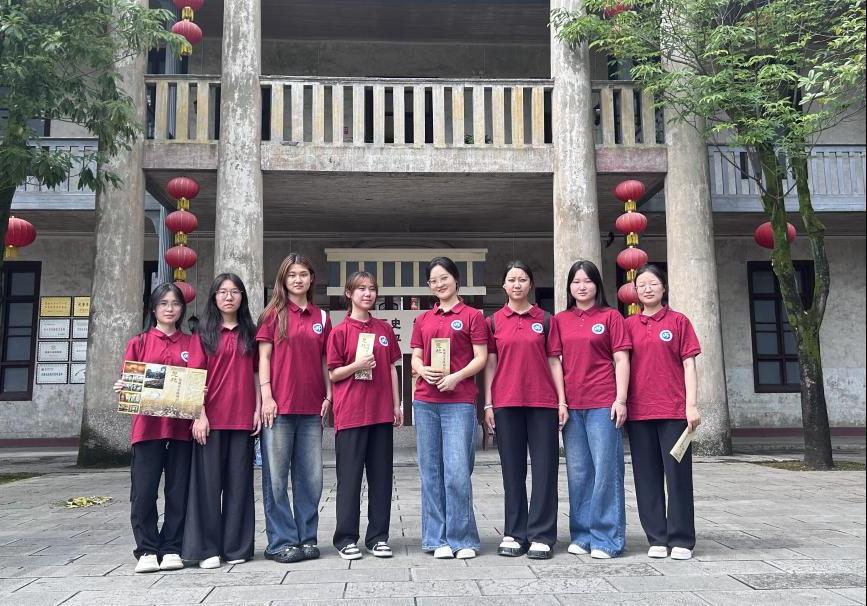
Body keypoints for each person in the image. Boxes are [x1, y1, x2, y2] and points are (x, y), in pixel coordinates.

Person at [114, 283, 205, 574]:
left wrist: (198, 392)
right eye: (163, 303)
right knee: (144, 492)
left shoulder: (192, 343)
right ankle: (147, 549)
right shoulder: (139, 342)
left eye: (175, 303)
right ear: (153, 308)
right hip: (147, 430)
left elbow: (197, 379)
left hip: (181, 431)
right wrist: (124, 387)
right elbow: (131, 383)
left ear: (182, 309)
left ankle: (172, 547)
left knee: (178, 491)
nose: (170, 308)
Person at [548, 259, 631, 559]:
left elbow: (621, 359)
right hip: (573, 406)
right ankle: (582, 535)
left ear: (597, 284)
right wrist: (561, 401)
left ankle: (607, 538)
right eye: (576, 282)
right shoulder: (560, 320)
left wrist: (620, 399)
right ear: (569, 287)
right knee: (579, 473)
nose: (582, 287)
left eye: (587, 281)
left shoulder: (611, 317)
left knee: (606, 471)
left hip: (603, 404)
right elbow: (554, 361)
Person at [483, 261, 567, 560]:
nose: (516, 285)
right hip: (506, 403)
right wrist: (489, 403)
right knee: (512, 470)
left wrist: (561, 401)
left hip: (542, 403)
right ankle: (515, 533)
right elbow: (490, 364)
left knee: (545, 470)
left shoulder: (545, 319)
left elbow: (554, 361)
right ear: (503, 286)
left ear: (530, 284)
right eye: (511, 280)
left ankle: (542, 534)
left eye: (522, 279)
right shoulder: (494, 322)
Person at [410, 256, 488, 560]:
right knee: (430, 472)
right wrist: (421, 369)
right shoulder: (423, 319)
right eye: (433, 280)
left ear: (456, 280)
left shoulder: (472, 316)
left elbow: (481, 357)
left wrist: (457, 377)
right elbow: (416, 356)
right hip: (425, 402)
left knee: (457, 471)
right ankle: (435, 538)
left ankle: (462, 538)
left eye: (444, 278)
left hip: (459, 401)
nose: (439, 284)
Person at [257, 253, 332, 564]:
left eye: (303, 274)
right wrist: (267, 396)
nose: (298, 279)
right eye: (292, 275)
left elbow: (326, 360)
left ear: (311, 278)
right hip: (279, 408)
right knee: (276, 478)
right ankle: (281, 541)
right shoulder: (272, 314)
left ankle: (306, 537)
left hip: (312, 408)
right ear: (283, 280)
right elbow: (263, 358)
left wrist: (328, 395)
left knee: (311, 478)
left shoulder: (322, 317)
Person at [182, 273, 260, 569]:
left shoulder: (250, 332)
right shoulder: (203, 333)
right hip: (211, 421)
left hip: (242, 419)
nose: (229, 297)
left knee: (239, 486)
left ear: (242, 297)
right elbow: (194, 377)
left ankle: (236, 547)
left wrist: (258, 408)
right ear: (214, 297)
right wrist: (199, 416)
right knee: (207, 487)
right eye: (223, 292)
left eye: (235, 291)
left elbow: (256, 373)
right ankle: (207, 549)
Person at [625, 264, 701, 561]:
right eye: (641, 285)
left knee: (678, 476)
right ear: (635, 291)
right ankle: (656, 537)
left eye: (653, 284)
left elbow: (689, 365)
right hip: (639, 413)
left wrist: (691, 405)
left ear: (663, 287)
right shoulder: (628, 325)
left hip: (673, 412)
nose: (647, 289)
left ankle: (681, 538)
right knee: (646, 477)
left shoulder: (679, 322)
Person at [326, 271, 403, 560]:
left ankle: (378, 537)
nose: (367, 293)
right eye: (361, 289)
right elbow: (333, 373)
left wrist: (396, 405)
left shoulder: (383, 329)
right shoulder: (339, 332)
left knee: (381, 479)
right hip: (351, 415)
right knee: (349, 479)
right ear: (349, 294)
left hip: (381, 413)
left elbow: (392, 368)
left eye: (371, 289)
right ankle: (346, 538)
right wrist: (356, 365)